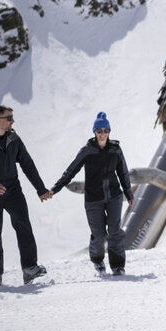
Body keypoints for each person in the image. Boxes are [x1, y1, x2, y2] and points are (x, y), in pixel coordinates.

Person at [0, 104, 51, 286]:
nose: (12, 121)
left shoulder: (14, 138)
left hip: (13, 191)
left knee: (24, 226)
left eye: (12, 117)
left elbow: (27, 164)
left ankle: (30, 268)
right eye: (9, 118)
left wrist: (40, 189)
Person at [50, 112, 134, 276]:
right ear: (94, 132)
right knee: (98, 233)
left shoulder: (115, 149)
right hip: (93, 198)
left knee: (115, 231)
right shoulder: (87, 151)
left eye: (105, 130)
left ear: (109, 131)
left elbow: (123, 172)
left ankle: (118, 266)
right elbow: (71, 171)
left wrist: (129, 194)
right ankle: (97, 260)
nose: (102, 134)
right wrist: (55, 188)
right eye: (99, 131)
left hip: (114, 196)